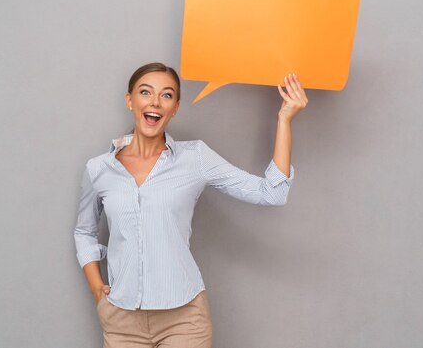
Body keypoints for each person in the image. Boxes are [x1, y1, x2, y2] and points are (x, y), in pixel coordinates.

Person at [74, 62, 307, 348]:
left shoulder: (194, 158)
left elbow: (271, 193)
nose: (155, 102)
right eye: (145, 92)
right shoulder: (99, 169)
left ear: (176, 107)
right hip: (122, 321)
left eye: (167, 95)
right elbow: (84, 231)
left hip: (184, 318)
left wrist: (285, 120)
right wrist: (98, 290)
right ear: (130, 100)